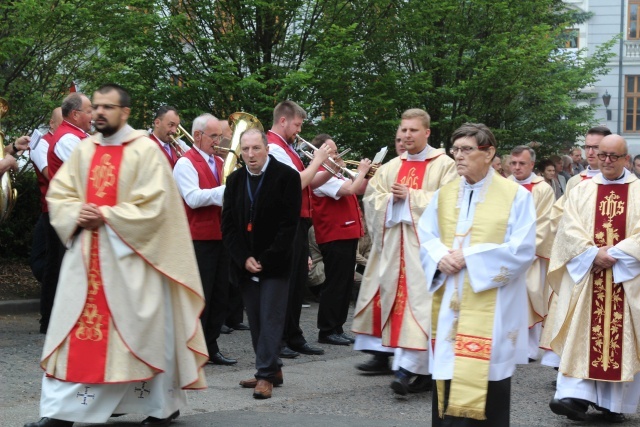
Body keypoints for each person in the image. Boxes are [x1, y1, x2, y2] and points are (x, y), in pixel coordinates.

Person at [24, 84, 207, 427]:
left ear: (125, 113)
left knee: (143, 337)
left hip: (133, 260)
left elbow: (157, 207)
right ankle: (61, 414)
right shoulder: (85, 149)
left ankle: (161, 407)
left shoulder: (144, 151)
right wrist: (75, 213)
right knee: (75, 336)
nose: (100, 113)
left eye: (108, 107)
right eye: (96, 106)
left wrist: (108, 215)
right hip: (87, 262)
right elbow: (61, 192)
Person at [419, 123, 536, 425]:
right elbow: (426, 236)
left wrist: (469, 257)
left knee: (487, 378)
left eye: (467, 149)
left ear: (489, 153)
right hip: (451, 301)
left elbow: (522, 249)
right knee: (448, 368)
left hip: (492, 304)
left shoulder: (516, 196)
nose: (458, 156)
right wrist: (439, 258)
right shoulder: (444, 194)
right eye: (455, 149)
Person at [352, 108, 457, 395]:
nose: (407, 135)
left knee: (422, 308)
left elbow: (451, 201)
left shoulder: (444, 165)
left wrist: (410, 197)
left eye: (413, 130)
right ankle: (417, 370)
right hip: (395, 249)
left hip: (426, 253)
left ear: (427, 132)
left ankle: (409, 369)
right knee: (402, 309)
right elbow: (372, 198)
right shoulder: (391, 166)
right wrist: (392, 202)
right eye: (404, 130)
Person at [547, 134, 640, 423]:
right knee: (583, 334)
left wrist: (614, 254)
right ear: (597, 156)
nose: (608, 161)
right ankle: (574, 397)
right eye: (603, 155)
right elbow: (567, 229)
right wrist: (590, 254)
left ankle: (613, 405)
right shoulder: (582, 190)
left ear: (626, 158)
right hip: (589, 277)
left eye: (615, 156)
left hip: (627, 277)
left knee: (621, 340)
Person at [222, 128, 301, 399]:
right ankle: (273, 368)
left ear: (266, 148)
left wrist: (265, 259)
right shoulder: (234, 181)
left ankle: (265, 375)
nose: (250, 154)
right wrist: (243, 258)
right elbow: (229, 225)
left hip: (275, 263)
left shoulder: (287, 177)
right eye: (245, 149)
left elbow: (289, 226)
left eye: (256, 148)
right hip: (245, 263)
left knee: (270, 318)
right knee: (255, 320)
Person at [539, 126, 612, 370]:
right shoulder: (575, 182)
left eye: (597, 147)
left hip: (611, 260)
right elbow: (559, 217)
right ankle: (569, 365)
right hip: (580, 258)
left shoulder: (626, 184)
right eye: (588, 146)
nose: (591, 152)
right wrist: (580, 243)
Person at [266, 100, 330, 358]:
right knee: (285, 283)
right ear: (283, 120)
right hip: (285, 222)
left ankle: (293, 335)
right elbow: (295, 184)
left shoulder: (289, 149)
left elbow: (310, 183)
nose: (299, 130)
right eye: (296, 125)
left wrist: (327, 166)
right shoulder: (273, 147)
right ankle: (279, 338)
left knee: (296, 282)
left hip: (299, 220)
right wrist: (318, 160)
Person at [173, 113, 237, 366]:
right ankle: (191, 349)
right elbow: (193, 198)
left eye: (220, 136)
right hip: (198, 239)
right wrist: (226, 191)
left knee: (220, 295)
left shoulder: (220, 163)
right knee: (200, 296)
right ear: (197, 135)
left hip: (221, 236)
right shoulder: (185, 163)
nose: (218, 141)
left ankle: (210, 346)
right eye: (213, 136)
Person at [310, 134, 371, 346]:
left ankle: (337, 326)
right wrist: (361, 171)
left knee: (344, 283)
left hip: (346, 233)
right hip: (334, 234)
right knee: (336, 283)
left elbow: (361, 188)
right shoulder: (320, 176)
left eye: (336, 152)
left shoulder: (332, 175)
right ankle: (326, 330)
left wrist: (368, 174)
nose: (337, 156)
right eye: (333, 152)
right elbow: (351, 189)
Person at [40, 94, 92, 334]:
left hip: (72, 211)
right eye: (89, 111)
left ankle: (57, 320)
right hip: (66, 213)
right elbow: (88, 171)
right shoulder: (68, 138)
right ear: (75, 114)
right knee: (61, 267)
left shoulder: (79, 136)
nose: (93, 115)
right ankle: (52, 321)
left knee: (66, 267)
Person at [508, 146, 555, 361]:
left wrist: (526, 250)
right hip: (506, 253)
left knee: (532, 297)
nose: (517, 168)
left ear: (532, 165)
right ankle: (509, 345)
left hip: (531, 256)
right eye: (514, 163)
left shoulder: (542, 189)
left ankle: (530, 349)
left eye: (522, 164)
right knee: (509, 299)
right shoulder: (504, 185)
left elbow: (545, 222)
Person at [30, 107, 63, 331]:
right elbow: (49, 174)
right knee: (51, 263)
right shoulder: (43, 143)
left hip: (63, 209)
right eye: (61, 123)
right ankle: (48, 317)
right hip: (51, 208)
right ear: (52, 124)